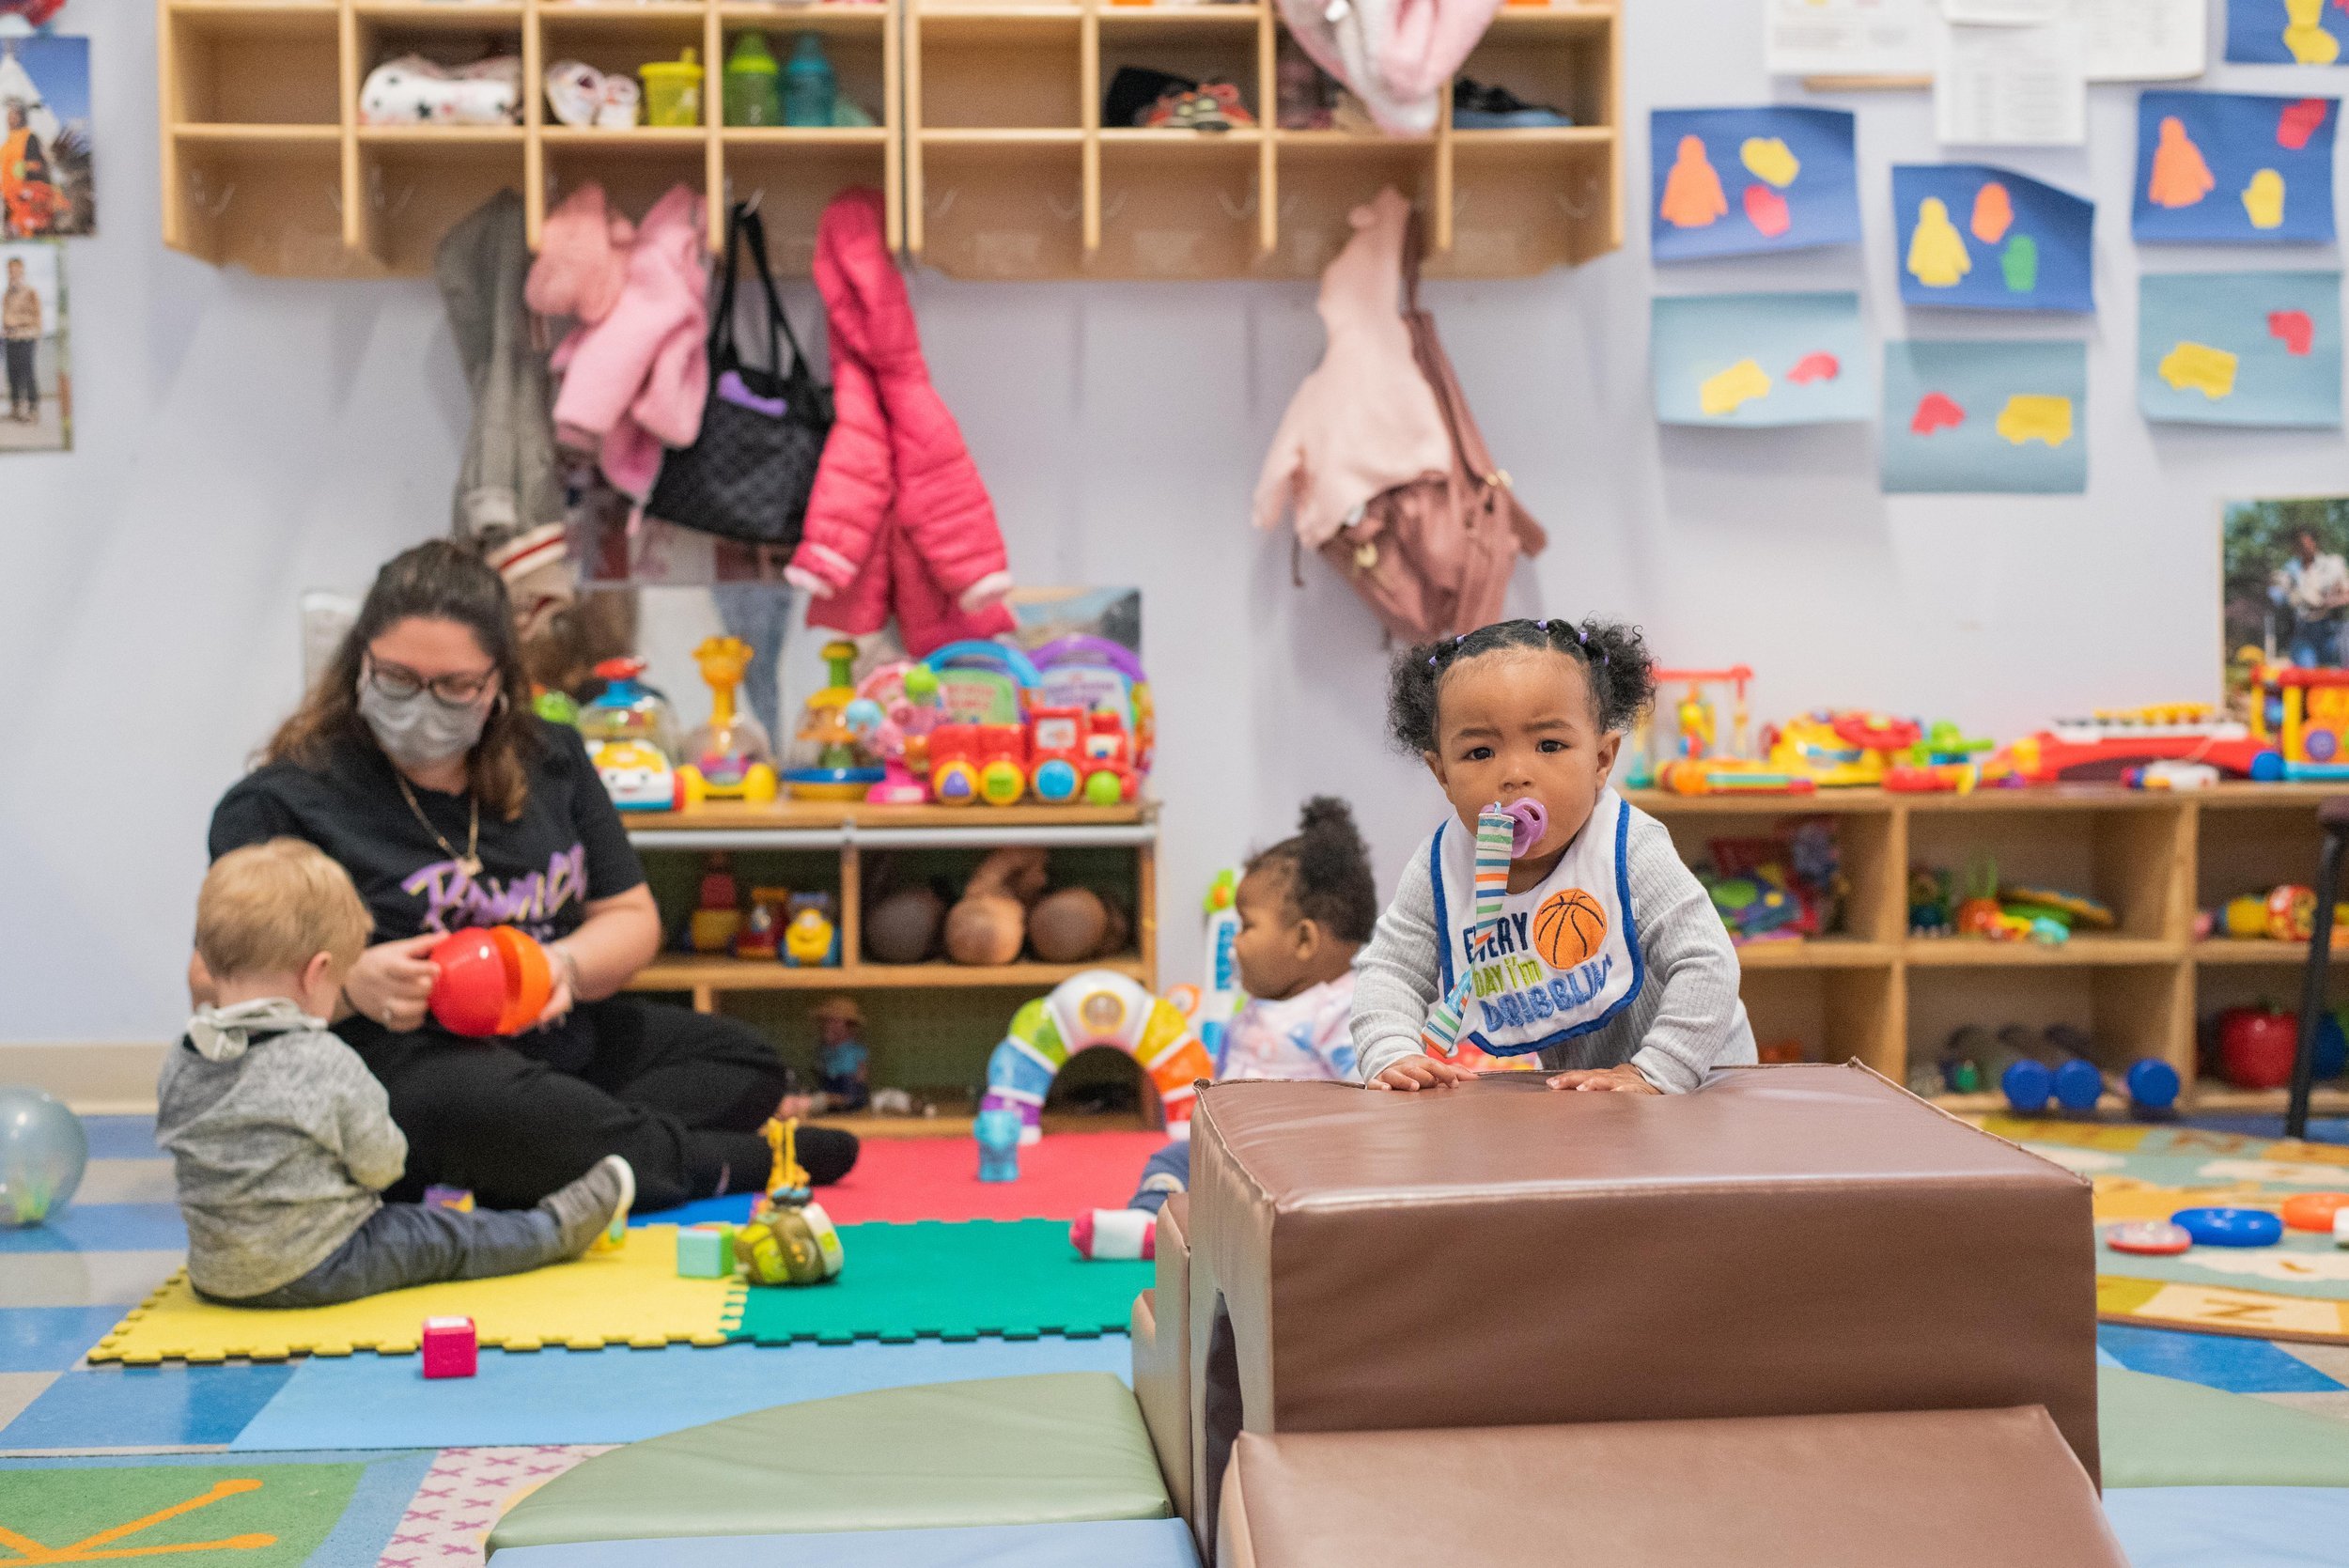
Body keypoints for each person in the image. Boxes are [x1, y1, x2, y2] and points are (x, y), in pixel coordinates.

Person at [201, 539, 857, 1213]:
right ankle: (707, 1161)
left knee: (748, 1063)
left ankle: (553, 1153)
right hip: (408, 1063)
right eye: (397, 678)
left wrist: (562, 968)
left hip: (552, 1041)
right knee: (476, 1105)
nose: (423, 704)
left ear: (499, 684)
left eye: (456, 686)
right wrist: (348, 986)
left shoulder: (554, 759)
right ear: (358, 665)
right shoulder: (282, 801)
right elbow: (212, 979)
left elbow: (631, 916)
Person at [161, 838, 636, 1308]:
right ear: (317, 972)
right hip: (321, 1265)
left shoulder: (185, 1057)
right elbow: (383, 1165)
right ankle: (552, 1231)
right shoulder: (322, 1059)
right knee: (444, 1237)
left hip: (217, 1276)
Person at [1353, 617, 1755, 1094]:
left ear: (1602, 760)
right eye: (1481, 752)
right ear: (1441, 773)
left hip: (1703, 1073)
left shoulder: (1626, 845)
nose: (1515, 774)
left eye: (1550, 745)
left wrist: (1658, 1071)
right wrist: (1392, 1050)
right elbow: (1391, 971)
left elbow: (1708, 962)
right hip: (1587, 1090)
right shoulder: (1444, 867)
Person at [1072, 797, 1377, 1257]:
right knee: (1172, 1160)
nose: (1233, 943)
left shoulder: (1339, 1010)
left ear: (1304, 940)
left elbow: (1368, 1097)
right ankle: (1152, 1223)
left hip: (1296, 1167)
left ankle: (1203, 1229)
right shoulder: (1263, 1005)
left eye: (1245, 927)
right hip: (1233, 1155)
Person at [2272, 529, 2349, 669]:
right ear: (2295, 547)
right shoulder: (2290, 569)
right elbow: (2278, 597)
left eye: (2309, 543)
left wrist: (2327, 602)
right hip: (2302, 630)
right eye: (2301, 544)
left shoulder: (2333, 564)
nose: (2306, 547)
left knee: (2332, 675)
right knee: (2306, 675)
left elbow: (2346, 594)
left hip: (2331, 629)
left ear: (2315, 543)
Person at [2, 254, 37, 424]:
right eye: (9, 270)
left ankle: (33, 409)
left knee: (27, 373)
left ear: (21, 270)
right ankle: (15, 408)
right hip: (10, 338)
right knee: (12, 373)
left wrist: (18, 323)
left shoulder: (29, 291)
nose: (12, 272)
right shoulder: (7, 293)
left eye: (15, 269)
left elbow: (36, 317)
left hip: (26, 337)